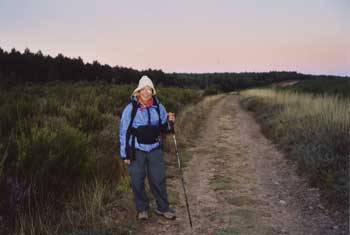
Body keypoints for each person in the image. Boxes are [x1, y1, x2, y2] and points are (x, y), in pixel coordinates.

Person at [119, 75, 176, 220]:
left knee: (158, 179)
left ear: (152, 91)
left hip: (155, 149)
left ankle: (163, 208)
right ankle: (142, 209)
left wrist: (170, 122)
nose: (146, 92)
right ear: (138, 92)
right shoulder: (130, 109)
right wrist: (125, 154)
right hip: (136, 149)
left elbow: (165, 128)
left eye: (149, 89)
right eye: (143, 89)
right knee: (137, 180)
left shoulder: (158, 106)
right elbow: (123, 131)